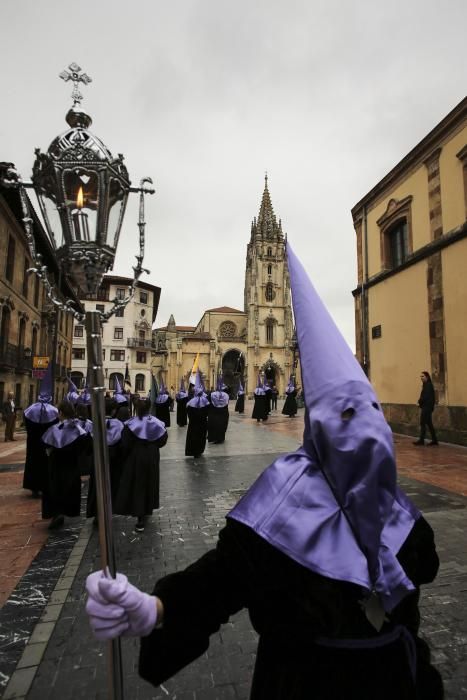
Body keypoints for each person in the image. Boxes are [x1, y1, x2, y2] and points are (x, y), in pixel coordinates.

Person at [86, 243, 443, 700]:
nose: (366, 433)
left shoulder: (397, 509)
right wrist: (155, 608)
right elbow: (218, 583)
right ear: (320, 429)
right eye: (347, 417)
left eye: (371, 412)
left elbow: (422, 573)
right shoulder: (282, 509)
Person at [114, 398, 167, 532]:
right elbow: (162, 441)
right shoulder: (157, 423)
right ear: (149, 408)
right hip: (152, 455)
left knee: (138, 484)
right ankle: (147, 509)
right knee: (150, 481)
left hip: (136, 456)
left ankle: (140, 518)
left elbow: (125, 444)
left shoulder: (130, 424)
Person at [41, 400, 89, 530]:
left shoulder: (53, 430)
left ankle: (56, 513)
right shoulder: (78, 430)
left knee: (55, 489)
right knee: (68, 489)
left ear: (61, 413)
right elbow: (83, 447)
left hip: (55, 466)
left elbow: (46, 445)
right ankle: (64, 511)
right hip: (72, 466)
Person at [22, 364, 59, 498]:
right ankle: (45, 486)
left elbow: (26, 423)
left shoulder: (30, 410)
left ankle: (33, 487)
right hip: (46, 443)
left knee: (32, 462)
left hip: (32, 442)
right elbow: (55, 427)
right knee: (45, 464)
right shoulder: (53, 412)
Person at [184, 370, 209, 458]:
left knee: (193, 437)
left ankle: (193, 451)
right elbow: (207, 413)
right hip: (202, 424)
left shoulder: (190, 403)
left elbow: (188, 414)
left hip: (193, 424)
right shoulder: (206, 402)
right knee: (201, 437)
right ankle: (199, 451)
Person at [413, 371, 438, 446]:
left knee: (423, 423)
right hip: (427, 407)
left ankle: (421, 440)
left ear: (427, 377)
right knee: (429, 424)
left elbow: (425, 397)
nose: (421, 378)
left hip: (427, 408)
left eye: (423, 376)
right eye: (420, 376)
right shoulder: (426, 385)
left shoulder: (428, 385)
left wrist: (419, 402)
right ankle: (434, 440)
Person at [207, 375, 229, 444]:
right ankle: (221, 438)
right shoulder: (226, 395)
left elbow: (207, 402)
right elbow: (226, 404)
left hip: (213, 413)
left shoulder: (211, 394)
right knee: (222, 426)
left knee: (213, 426)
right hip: (223, 414)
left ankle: (213, 438)